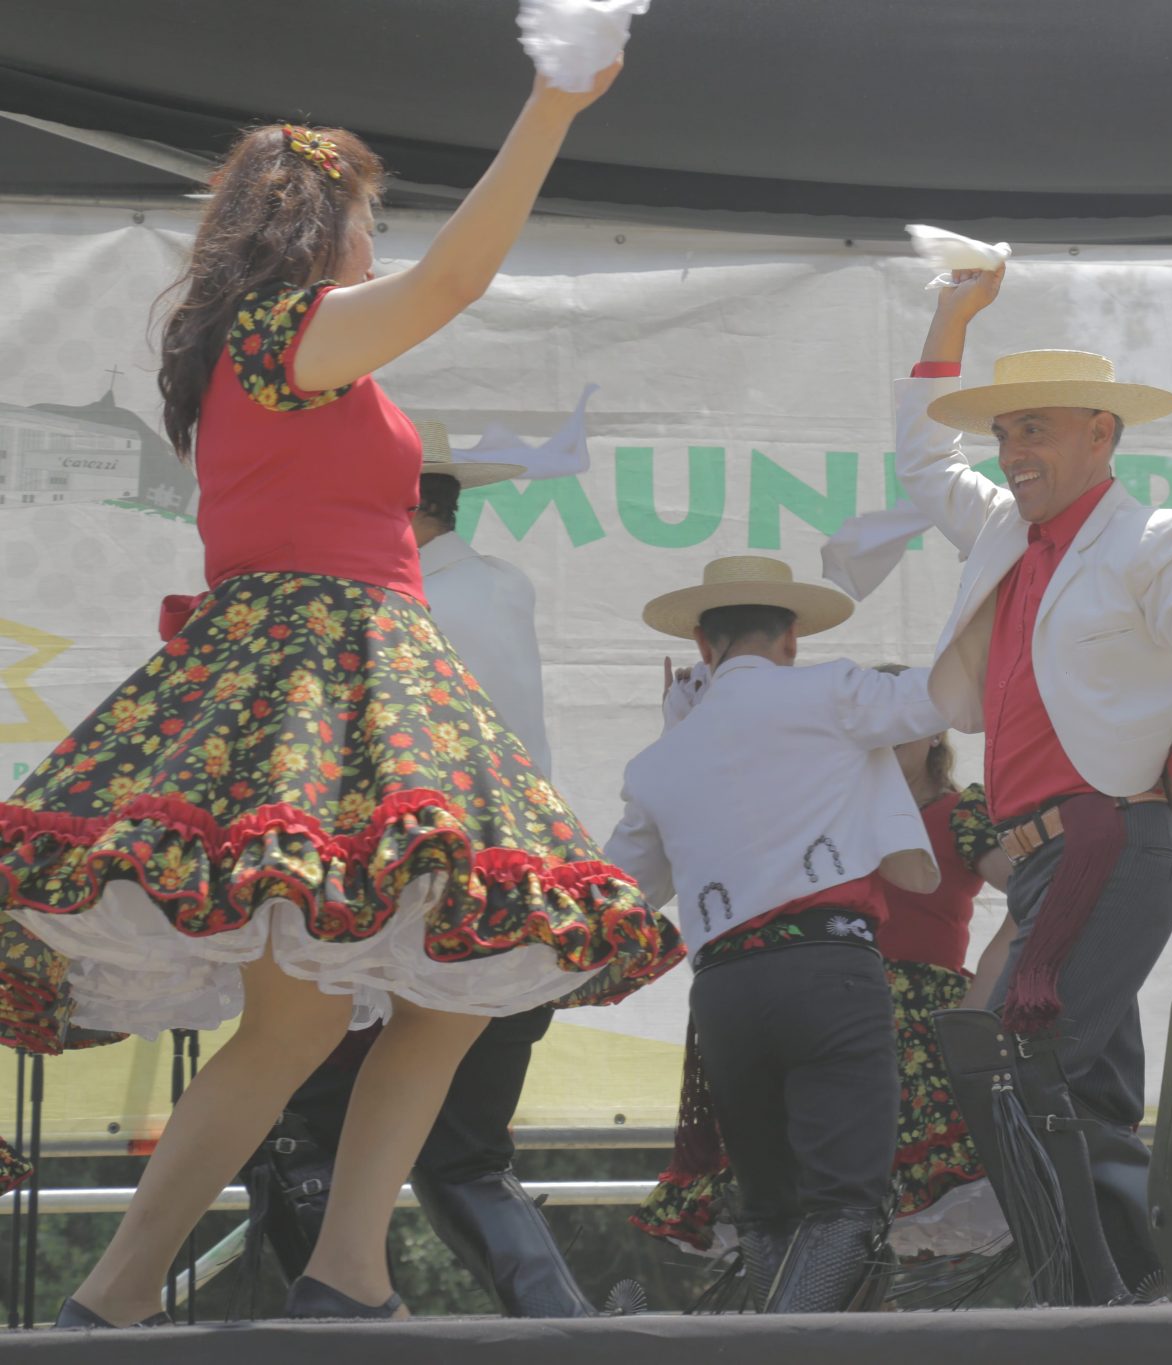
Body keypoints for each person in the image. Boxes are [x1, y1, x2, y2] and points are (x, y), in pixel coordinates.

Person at [0, 60, 682, 1328]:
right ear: (321, 225)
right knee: (387, 998)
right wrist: (550, 107)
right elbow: (458, 283)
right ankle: (188, 1286)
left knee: (375, 1002)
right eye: (372, 217)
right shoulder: (287, 335)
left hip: (323, 668)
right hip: (334, 668)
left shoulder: (248, 351)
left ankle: (253, 1283)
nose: (384, 243)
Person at [894, 262, 1172, 1302]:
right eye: (1007, 432)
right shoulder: (1004, 533)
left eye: (1039, 430)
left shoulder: (1151, 539)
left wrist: (1170, 781)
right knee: (1063, 1091)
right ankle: (1135, 1293)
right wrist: (945, 318)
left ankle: (1091, 1300)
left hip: (1100, 847)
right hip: (1047, 860)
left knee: (1024, 1073)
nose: (1014, 450)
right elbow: (922, 460)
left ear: (1102, 434)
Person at [253, 424, 590, 1318]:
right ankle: (563, 1327)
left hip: (412, 915)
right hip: (515, 903)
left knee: (296, 1135)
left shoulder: (395, 607)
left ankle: (337, 1316)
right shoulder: (499, 589)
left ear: (400, 509)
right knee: (465, 1153)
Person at [604, 556, 948, 1314]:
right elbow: (940, 695)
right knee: (847, 1204)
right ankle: (776, 1350)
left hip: (725, 987)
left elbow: (620, 892)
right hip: (827, 966)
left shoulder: (660, 759)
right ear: (792, 636)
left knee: (768, 1206)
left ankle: (767, 1337)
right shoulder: (830, 691)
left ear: (702, 644)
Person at [632, 666, 1012, 1275]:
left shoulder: (959, 811)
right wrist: (686, 726)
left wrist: (981, 1000)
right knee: (802, 1188)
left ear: (932, 735)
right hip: (822, 990)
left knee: (861, 1198)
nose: (884, 745)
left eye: (901, 731)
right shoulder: (829, 799)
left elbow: (1032, 896)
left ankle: (826, 1318)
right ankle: (816, 1316)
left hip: (917, 1019)